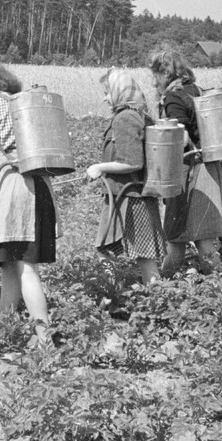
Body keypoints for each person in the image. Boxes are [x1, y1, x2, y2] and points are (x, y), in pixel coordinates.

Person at [0, 61, 54, 342]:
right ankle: (5, 329)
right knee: (10, 263)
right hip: (40, 183)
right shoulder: (24, 101)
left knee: (24, 267)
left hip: (13, 187)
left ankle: (44, 339)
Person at [148, 49, 222, 275]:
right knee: (203, 236)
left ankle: (160, 287)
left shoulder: (173, 97)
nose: (154, 82)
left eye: (155, 75)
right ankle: (219, 287)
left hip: (188, 172)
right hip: (207, 167)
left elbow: (180, 137)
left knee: (176, 236)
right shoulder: (196, 91)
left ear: (164, 73)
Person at [86, 68, 165, 285]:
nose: (104, 97)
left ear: (119, 92)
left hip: (127, 198)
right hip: (134, 195)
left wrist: (100, 167)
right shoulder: (139, 115)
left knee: (106, 251)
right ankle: (158, 301)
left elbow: (132, 162)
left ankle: (110, 298)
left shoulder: (125, 118)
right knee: (144, 255)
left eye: (107, 92)